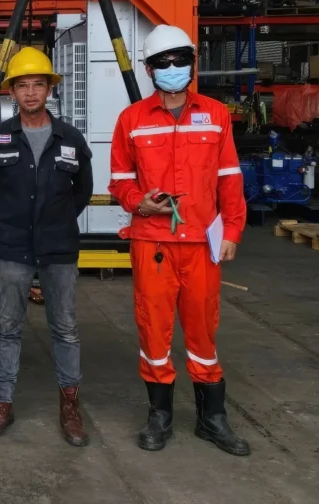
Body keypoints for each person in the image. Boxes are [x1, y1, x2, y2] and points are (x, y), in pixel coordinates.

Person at [109, 24, 249, 456]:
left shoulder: (216, 115)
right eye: (163, 62)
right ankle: (160, 415)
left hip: (202, 244)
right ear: (149, 70)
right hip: (152, 243)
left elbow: (229, 178)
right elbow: (119, 180)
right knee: (153, 329)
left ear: (192, 63)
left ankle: (212, 418)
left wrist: (232, 230)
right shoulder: (132, 120)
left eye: (180, 60)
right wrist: (138, 202)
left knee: (203, 330)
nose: (173, 68)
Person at [0, 47, 93, 446]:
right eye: (23, 85)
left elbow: (83, 191)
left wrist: (55, 221)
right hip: (13, 247)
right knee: (7, 328)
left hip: (58, 248)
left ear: (49, 90)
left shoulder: (70, 138)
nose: (30, 93)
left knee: (65, 329)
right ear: (12, 92)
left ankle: (70, 405)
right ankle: (2, 402)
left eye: (38, 85)